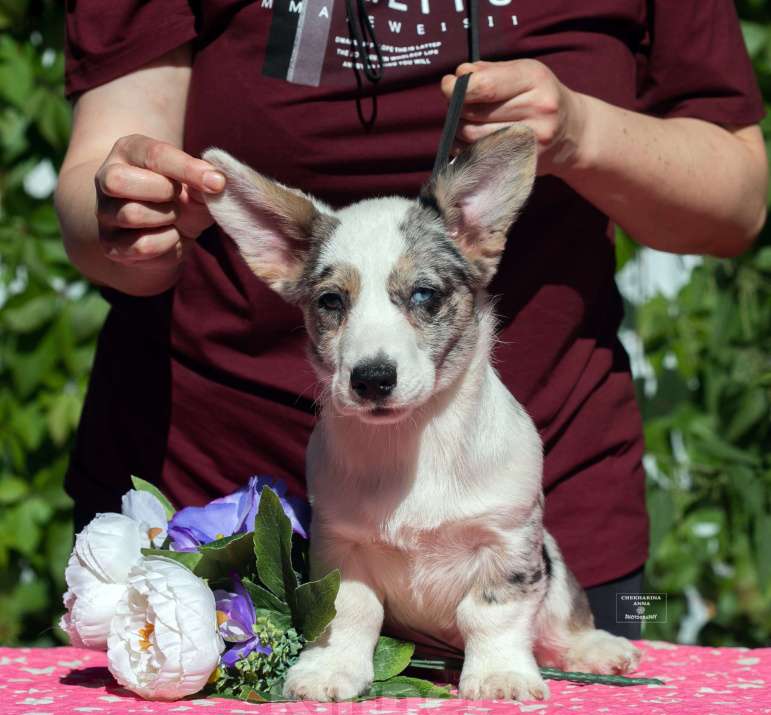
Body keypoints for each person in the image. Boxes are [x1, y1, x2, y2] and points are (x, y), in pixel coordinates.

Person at [56, 1, 767, 640]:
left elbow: (739, 203)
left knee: (595, 685)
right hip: (222, 544)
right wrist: (128, 218)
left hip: (539, 550)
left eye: (420, 297)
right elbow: (95, 188)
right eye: (332, 301)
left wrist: (583, 133)